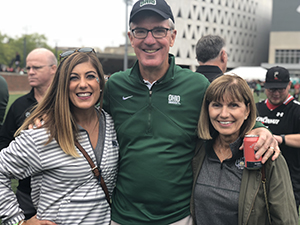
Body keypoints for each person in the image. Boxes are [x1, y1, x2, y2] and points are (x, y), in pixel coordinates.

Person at [103, 0, 279, 224]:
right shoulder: (115, 86)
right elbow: (85, 118)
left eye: (159, 30)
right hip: (123, 216)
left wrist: (260, 129)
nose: (149, 40)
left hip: (178, 217)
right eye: (140, 31)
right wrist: (45, 116)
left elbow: (228, 112)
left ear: (173, 37)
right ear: (131, 38)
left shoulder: (197, 85)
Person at [0, 48, 119, 225]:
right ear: (62, 85)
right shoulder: (43, 132)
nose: (83, 84)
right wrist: (18, 222)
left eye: (90, 76)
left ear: (100, 82)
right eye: (73, 78)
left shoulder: (112, 124)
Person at [190, 74, 298, 225]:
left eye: (233, 105)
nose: (224, 114)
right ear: (207, 109)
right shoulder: (198, 149)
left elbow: (286, 220)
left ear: (247, 110)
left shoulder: (266, 154)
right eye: (216, 105)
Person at [0, 48, 57, 219]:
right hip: (26, 191)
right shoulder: (18, 105)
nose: (30, 72)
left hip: (61, 189)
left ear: (53, 68)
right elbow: (4, 142)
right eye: (28, 68)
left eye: (36, 67)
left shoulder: (68, 103)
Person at [256, 66, 300, 213]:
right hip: (257, 175)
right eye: (271, 89)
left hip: (288, 176)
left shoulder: (296, 110)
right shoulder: (257, 108)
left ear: (289, 85)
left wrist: (279, 139)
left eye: (280, 89)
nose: (275, 93)